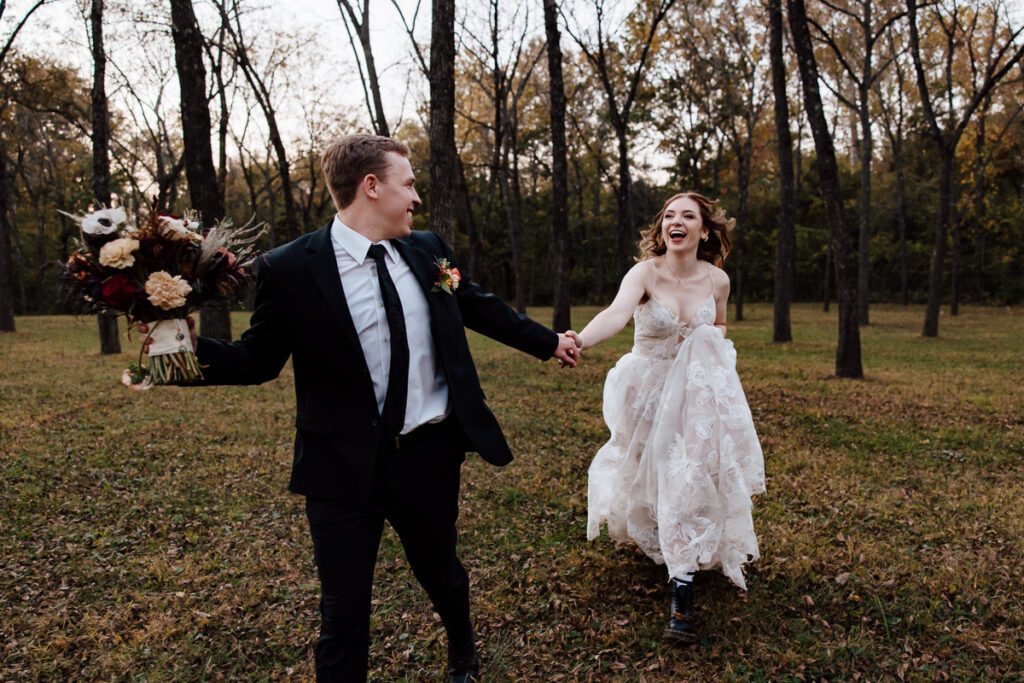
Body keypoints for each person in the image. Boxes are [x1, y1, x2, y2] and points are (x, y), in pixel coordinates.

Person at [147, 134, 581, 682]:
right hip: (339, 469)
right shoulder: (289, 269)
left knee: (441, 572)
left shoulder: (427, 250)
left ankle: (463, 654)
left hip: (428, 455)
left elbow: (477, 305)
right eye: (410, 184)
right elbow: (255, 360)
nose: (417, 198)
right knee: (343, 612)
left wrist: (548, 342)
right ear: (371, 187)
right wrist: (178, 353)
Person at [575, 192, 765, 643]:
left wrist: (704, 348)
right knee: (651, 471)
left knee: (688, 475)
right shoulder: (645, 272)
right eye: (669, 216)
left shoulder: (718, 280)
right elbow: (616, 315)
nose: (675, 222)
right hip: (647, 390)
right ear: (662, 229)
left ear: (704, 230)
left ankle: (682, 593)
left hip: (695, 393)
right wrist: (578, 341)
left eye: (688, 216)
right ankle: (669, 540)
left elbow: (719, 328)